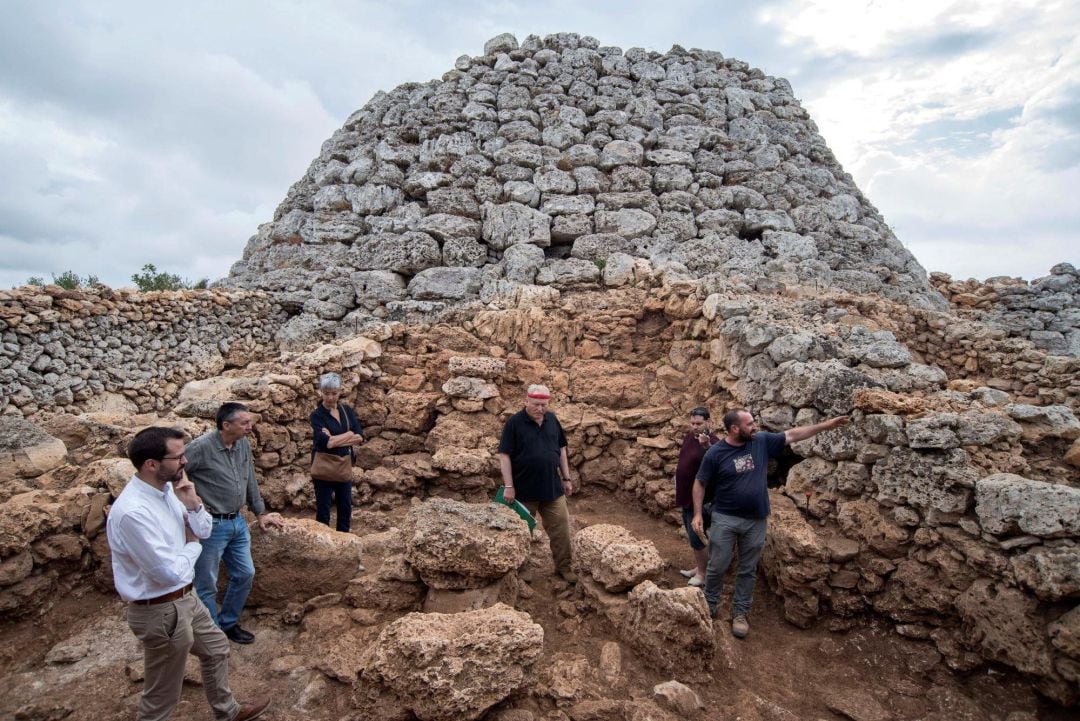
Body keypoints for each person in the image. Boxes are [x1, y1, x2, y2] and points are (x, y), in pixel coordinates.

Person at [107, 426, 270, 721]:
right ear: (151, 464)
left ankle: (228, 711)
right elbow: (167, 572)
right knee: (162, 693)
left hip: (186, 596)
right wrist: (193, 545)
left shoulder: (169, 489)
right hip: (159, 609)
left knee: (217, 648)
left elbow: (204, 528)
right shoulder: (133, 512)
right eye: (178, 457)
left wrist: (193, 502)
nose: (185, 462)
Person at [691, 408, 849, 639]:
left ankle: (740, 613)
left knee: (748, 569)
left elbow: (793, 435)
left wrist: (826, 425)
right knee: (717, 565)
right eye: (750, 424)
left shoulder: (761, 441)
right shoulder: (716, 452)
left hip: (756, 519)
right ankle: (709, 604)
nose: (755, 427)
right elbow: (700, 483)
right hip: (725, 517)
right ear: (735, 429)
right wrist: (697, 514)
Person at [185, 402, 284, 644]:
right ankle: (213, 634)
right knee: (206, 583)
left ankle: (228, 623)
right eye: (244, 423)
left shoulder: (242, 444)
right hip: (212, 525)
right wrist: (191, 506)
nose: (250, 427)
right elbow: (176, 471)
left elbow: (249, 477)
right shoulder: (200, 448)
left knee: (245, 574)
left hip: (238, 521)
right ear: (226, 425)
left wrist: (260, 513)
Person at [498, 384, 577, 583]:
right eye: (535, 404)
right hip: (523, 491)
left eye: (543, 405)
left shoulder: (552, 420)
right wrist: (509, 486)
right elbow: (504, 455)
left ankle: (564, 567)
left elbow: (561, 450)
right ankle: (520, 570)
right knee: (521, 533)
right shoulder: (514, 423)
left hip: (552, 488)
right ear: (526, 401)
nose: (540, 409)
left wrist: (566, 478)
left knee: (561, 530)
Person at [309, 372, 364, 532]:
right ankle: (322, 543)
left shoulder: (346, 411)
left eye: (334, 393)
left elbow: (359, 436)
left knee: (345, 507)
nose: (330, 397)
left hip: (343, 465)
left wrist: (336, 439)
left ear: (340, 392)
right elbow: (326, 442)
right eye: (326, 393)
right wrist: (348, 435)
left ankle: (344, 540)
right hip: (324, 469)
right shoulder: (317, 415)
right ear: (321, 392)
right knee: (324, 510)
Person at [674, 406, 721, 588]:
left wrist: (707, 446)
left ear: (708, 422)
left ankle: (703, 574)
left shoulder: (713, 442)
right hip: (685, 496)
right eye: (692, 423)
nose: (695, 427)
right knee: (690, 532)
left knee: (697, 536)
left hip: (699, 501)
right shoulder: (689, 436)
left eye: (699, 423)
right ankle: (698, 567)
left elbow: (719, 461)